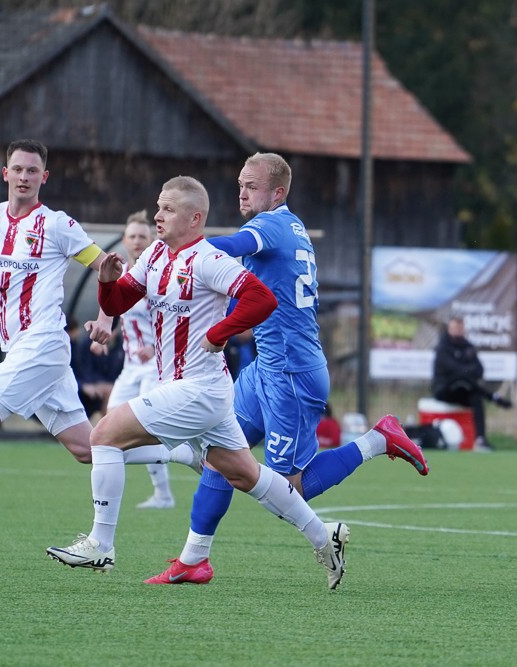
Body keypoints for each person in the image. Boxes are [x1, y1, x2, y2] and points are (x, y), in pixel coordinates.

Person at [0, 139, 200, 556]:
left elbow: (108, 268)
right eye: (17, 169)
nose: (24, 177)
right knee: (88, 448)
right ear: (5, 173)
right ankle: (181, 453)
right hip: (21, 348)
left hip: (43, 344)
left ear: (44, 177)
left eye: (32, 171)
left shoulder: (57, 225)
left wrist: (106, 312)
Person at [46, 175, 350, 589]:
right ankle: (324, 536)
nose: (158, 215)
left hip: (198, 389)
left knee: (103, 436)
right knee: (245, 475)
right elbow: (117, 302)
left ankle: (100, 544)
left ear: (194, 219)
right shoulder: (155, 255)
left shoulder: (208, 259)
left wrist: (219, 332)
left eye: (168, 209)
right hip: (200, 390)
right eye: (159, 206)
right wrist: (106, 279)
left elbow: (262, 299)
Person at [145, 153, 428, 587]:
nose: (242, 193)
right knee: (220, 456)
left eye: (252, 186)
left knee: (287, 490)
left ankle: (377, 440)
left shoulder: (272, 224)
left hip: (293, 374)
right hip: (267, 366)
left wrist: (179, 248)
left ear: (277, 193)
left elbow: (227, 247)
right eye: (240, 184)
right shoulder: (285, 227)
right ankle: (193, 559)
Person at [94, 211, 178, 509]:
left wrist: (154, 347)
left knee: (145, 429)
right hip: (130, 367)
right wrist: (105, 335)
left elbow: (175, 317)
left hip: (156, 366)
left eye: (143, 236)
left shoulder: (158, 274)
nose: (137, 241)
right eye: (132, 236)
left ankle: (166, 488)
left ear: (152, 239)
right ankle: (162, 492)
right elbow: (125, 317)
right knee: (108, 430)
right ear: (124, 240)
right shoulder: (124, 275)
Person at [431, 316, 512, 452]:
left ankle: (480, 440)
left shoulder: (468, 347)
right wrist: (467, 369)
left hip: (465, 390)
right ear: (449, 329)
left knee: (475, 397)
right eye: (455, 328)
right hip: (445, 390)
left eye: (460, 328)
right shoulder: (442, 348)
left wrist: (464, 370)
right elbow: (454, 370)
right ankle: (492, 397)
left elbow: (479, 370)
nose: (458, 331)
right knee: (462, 380)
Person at [68, 317, 122, 419]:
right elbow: (83, 371)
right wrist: (85, 385)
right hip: (88, 385)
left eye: (113, 329)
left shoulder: (121, 347)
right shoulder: (84, 346)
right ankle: (106, 424)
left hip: (110, 384)